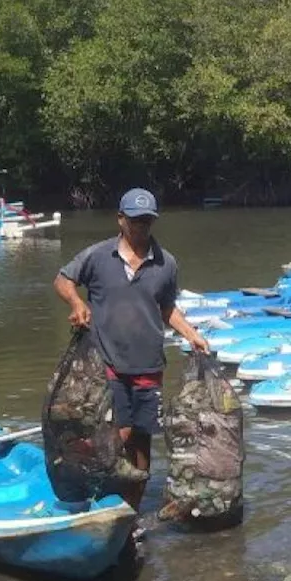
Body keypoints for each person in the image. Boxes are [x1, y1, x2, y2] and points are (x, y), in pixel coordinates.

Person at [54, 187, 211, 517]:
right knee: (115, 434)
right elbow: (63, 279)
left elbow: (167, 307)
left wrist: (191, 334)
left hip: (148, 365)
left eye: (147, 221)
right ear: (121, 219)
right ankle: (100, 500)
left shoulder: (166, 263)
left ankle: (134, 512)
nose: (141, 227)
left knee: (142, 438)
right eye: (135, 220)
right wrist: (77, 302)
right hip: (105, 362)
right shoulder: (97, 256)